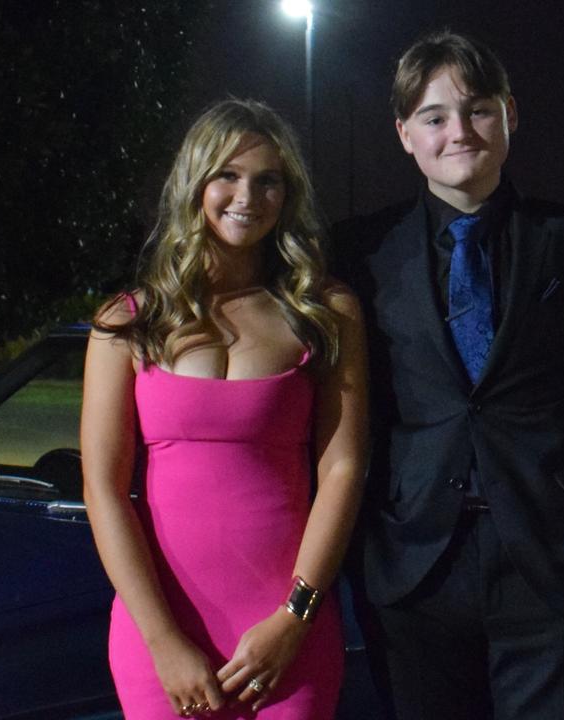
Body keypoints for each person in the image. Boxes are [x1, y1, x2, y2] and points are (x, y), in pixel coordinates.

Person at [335, 31, 564, 720]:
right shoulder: (360, 253)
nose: (459, 131)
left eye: (477, 109)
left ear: (509, 113)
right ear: (403, 134)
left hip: (553, 569)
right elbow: (349, 417)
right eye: (433, 116)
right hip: (415, 570)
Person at [80, 99, 368, 720]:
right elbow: (102, 489)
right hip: (159, 630)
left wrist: (295, 618)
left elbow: (343, 470)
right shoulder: (127, 323)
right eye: (227, 176)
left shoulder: (324, 310)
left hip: (285, 635)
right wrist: (162, 641)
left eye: (268, 180)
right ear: (195, 184)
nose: (248, 195)